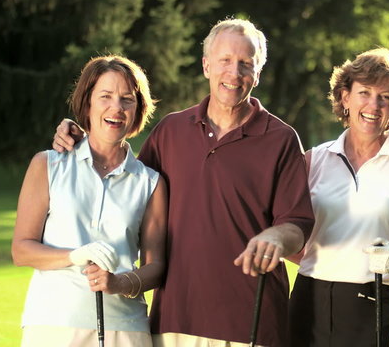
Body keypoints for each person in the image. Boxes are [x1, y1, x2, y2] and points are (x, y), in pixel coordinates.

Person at [52, 18, 314, 347]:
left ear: (258, 73)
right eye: (225, 61)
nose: (234, 73)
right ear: (206, 65)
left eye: (246, 64)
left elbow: (297, 222)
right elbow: (121, 186)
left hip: (253, 321)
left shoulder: (282, 139)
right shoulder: (170, 131)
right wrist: (80, 133)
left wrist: (277, 236)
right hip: (175, 319)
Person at [12, 55, 168, 346]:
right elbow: (21, 250)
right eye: (105, 96)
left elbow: (155, 266)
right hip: (52, 323)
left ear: (138, 109)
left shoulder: (151, 182)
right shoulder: (48, 164)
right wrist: (74, 255)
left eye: (127, 99)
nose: (116, 108)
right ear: (88, 103)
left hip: (125, 328)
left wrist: (119, 283)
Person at [287, 48, 389, 347]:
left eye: (386, 97)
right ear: (345, 97)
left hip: (371, 302)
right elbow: (285, 231)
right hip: (307, 298)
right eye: (364, 92)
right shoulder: (312, 160)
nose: (373, 105)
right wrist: (322, 261)